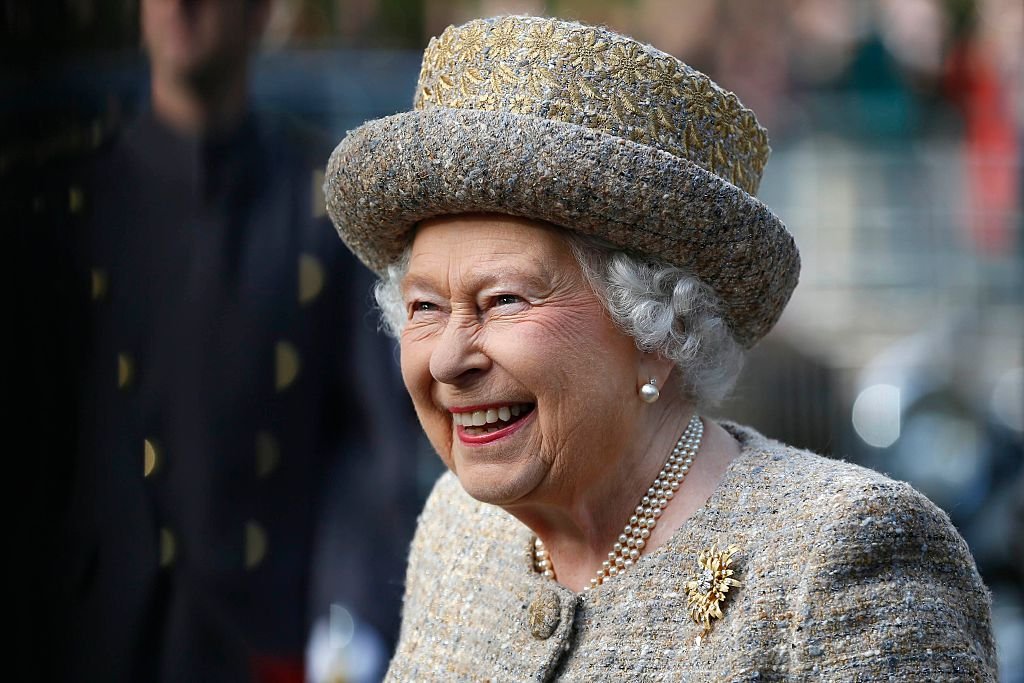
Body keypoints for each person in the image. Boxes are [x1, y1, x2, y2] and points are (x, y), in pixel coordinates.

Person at [322, 15, 999, 680]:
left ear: (657, 331)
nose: (446, 359)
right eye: (425, 307)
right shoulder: (457, 529)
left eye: (503, 300)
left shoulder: (842, 560)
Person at [59, 0, 417, 681]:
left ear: (259, 13)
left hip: (268, 643)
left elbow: (372, 452)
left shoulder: (318, 215)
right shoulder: (67, 211)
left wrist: (348, 622)